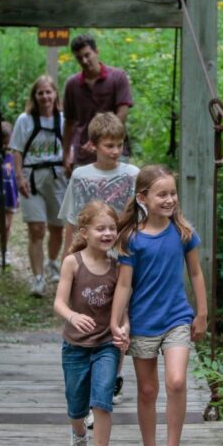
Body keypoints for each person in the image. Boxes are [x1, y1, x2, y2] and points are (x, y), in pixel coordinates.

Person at [110, 165, 207, 446]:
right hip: (143, 323)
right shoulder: (132, 239)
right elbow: (125, 285)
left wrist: (202, 313)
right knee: (148, 390)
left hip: (177, 318)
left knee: (177, 381)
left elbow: (195, 273)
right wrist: (116, 322)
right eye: (162, 194)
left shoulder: (183, 233)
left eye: (172, 193)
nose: (170, 200)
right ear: (143, 198)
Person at [60, 111, 140, 406]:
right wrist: (68, 256)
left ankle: (111, 376)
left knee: (117, 315)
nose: (115, 151)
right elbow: (71, 220)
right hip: (88, 255)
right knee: (93, 308)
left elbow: (140, 219)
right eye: (109, 145)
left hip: (122, 257)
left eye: (119, 144)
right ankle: (95, 373)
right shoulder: (81, 176)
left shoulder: (133, 174)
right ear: (93, 144)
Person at [53, 201, 129, 446]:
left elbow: (123, 309)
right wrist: (72, 316)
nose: (108, 233)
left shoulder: (118, 265)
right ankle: (78, 434)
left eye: (112, 228)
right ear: (84, 232)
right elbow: (59, 303)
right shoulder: (73, 262)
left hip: (106, 345)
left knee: (102, 401)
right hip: (75, 346)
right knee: (76, 406)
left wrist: (123, 329)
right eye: (101, 228)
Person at [9, 75, 67, 297]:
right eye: (40, 93)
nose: (45, 97)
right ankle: (38, 278)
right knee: (36, 229)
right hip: (31, 177)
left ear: (55, 94)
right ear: (34, 96)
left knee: (57, 227)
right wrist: (18, 177)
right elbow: (17, 150)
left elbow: (70, 145)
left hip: (58, 178)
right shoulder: (25, 120)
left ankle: (53, 262)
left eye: (48, 92)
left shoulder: (62, 120)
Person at [62, 34, 134, 173]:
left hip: (115, 150)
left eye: (87, 55)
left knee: (117, 193)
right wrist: (65, 154)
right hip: (84, 154)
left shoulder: (117, 77)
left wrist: (99, 138)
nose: (84, 60)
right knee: (85, 194)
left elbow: (123, 112)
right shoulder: (72, 85)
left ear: (96, 52)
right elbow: (69, 122)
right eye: (79, 57)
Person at [0, 119, 18, 268]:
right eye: (2, 142)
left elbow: (15, 176)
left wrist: (18, 195)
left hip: (10, 194)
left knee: (7, 226)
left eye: (7, 142)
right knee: (4, 223)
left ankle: (3, 251)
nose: (4, 145)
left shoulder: (13, 156)